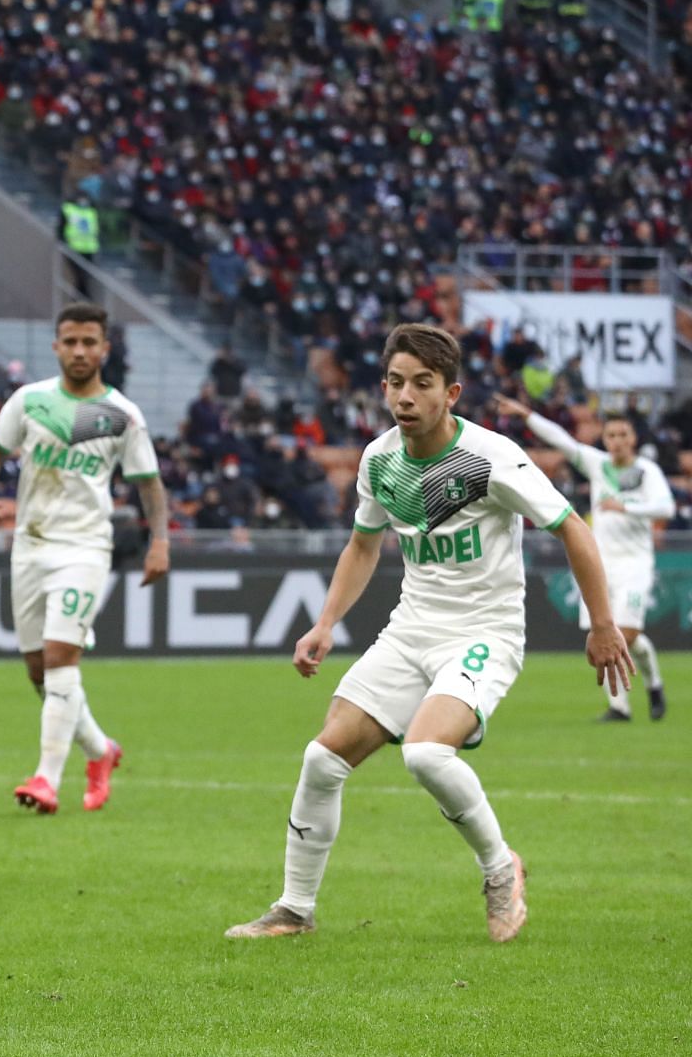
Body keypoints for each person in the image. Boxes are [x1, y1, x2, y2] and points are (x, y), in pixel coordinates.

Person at [226, 324, 632, 943]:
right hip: (410, 630)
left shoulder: (491, 457)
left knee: (424, 752)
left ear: (452, 393)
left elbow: (572, 526)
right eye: (395, 382)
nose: (404, 397)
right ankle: (295, 909)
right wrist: (326, 622)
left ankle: (501, 868)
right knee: (321, 758)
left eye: (421, 384)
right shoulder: (380, 459)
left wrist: (602, 624)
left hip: (484, 633)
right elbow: (363, 546)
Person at [0, 303, 169, 815]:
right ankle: (101, 751)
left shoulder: (123, 415)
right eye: (71, 341)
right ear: (56, 346)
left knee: (60, 658)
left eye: (89, 342)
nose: (80, 351)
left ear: (105, 348)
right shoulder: (29, 401)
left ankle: (46, 778)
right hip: (30, 546)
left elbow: (149, 485)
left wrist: (160, 543)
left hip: (85, 548)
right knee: (39, 671)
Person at [495, 395, 672, 721]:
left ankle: (654, 683)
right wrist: (528, 415)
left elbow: (666, 508)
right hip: (601, 565)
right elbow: (562, 441)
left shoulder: (647, 472)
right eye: (611, 435)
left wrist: (627, 507)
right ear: (605, 439)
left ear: (633, 439)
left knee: (627, 636)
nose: (617, 441)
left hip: (635, 564)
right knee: (606, 635)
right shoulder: (597, 464)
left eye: (623, 435)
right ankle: (619, 707)